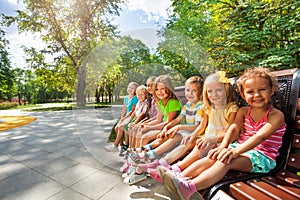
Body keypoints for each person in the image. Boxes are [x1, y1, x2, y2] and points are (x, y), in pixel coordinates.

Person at [159, 67, 286, 200]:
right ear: (243, 95)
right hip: (238, 149)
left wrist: (235, 151)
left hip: (261, 157)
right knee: (213, 156)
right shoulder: (243, 111)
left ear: (271, 90)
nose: (256, 95)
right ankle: (179, 179)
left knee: (226, 160)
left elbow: (260, 136)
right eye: (250, 92)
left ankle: (189, 188)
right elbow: (234, 129)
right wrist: (223, 146)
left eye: (262, 90)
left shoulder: (276, 116)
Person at [145, 71, 238, 183]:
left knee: (199, 146)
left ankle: (175, 171)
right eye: (210, 91)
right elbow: (202, 126)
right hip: (205, 138)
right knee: (189, 140)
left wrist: (209, 139)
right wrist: (193, 135)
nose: (214, 94)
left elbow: (230, 133)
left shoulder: (231, 109)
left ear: (226, 90)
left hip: (220, 141)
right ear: (206, 92)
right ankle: (163, 165)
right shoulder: (207, 107)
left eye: (219, 90)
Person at [124, 76, 204, 184]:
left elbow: (194, 126)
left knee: (167, 136)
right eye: (157, 89)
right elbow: (177, 119)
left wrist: (173, 127)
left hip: (189, 132)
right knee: (157, 134)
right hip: (180, 130)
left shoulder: (197, 106)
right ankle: (138, 156)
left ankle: (146, 155)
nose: (189, 93)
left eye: (193, 91)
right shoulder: (187, 105)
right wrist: (166, 127)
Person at [105, 81, 139, 152]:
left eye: (132, 88)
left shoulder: (135, 98)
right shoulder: (126, 98)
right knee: (116, 128)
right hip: (126, 116)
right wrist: (121, 118)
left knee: (122, 127)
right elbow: (124, 108)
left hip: (132, 116)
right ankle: (121, 145)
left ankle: (117, 145)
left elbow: (132, 111)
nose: (130, 89)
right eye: (129, 87)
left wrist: (124, 118)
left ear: (135, 90)